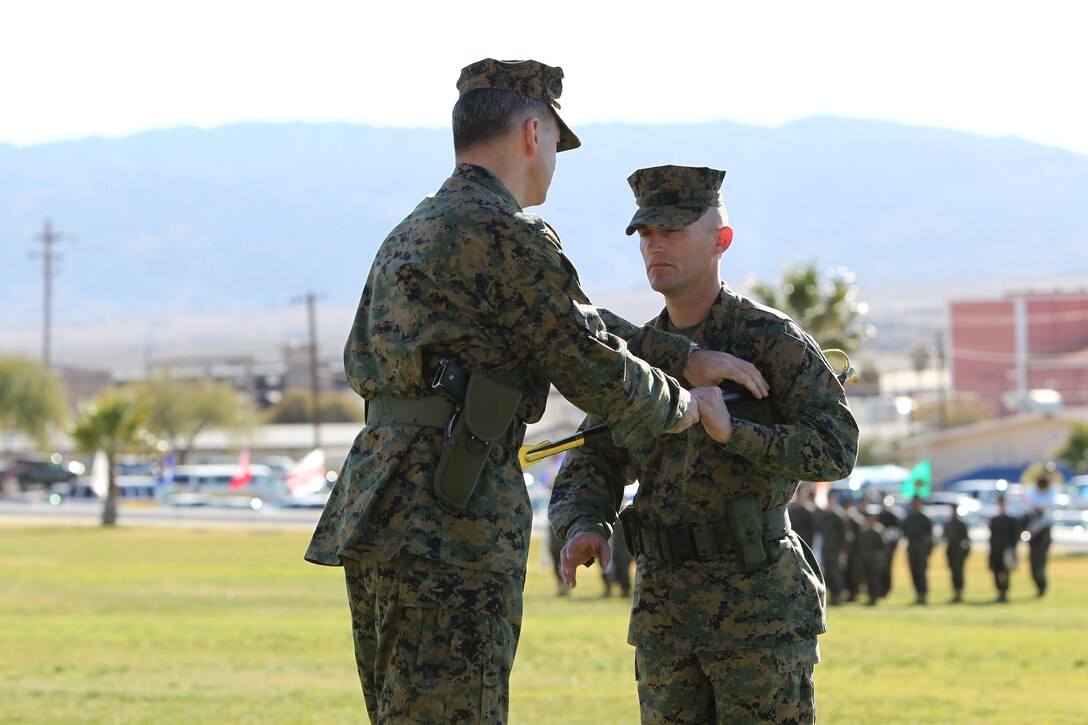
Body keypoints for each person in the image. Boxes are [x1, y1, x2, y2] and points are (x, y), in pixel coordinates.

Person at [303, 61, 768, 723]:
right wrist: (681, 406)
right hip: (450, 514)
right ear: (532, 131)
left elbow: (564, 320)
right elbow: (586, 360)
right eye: (555, 139)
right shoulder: (506, 235)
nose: (554, 157)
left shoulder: (416, 228)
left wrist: (683, 356)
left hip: (382, 500)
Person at [549, 165, 859, 723]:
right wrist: (584, 524)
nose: (654, 246)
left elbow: (836, 447)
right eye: (645, 234)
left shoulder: (769, 340)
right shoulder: (637, 358)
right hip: (666, 613)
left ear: (721, 241)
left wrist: (736, 433)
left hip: (758, 611)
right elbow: (591, 455)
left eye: (671, 230)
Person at [1025, 475, 1057, 597]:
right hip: (1033, 538)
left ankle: (1042, 588)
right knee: (1033, 566)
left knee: (1040, 566)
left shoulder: (1051, 496)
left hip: (1043, 538)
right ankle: (1038, 587)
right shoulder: (1032, 494)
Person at [818, 489, 850, 606]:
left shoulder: (839, 516)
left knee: (836, 573)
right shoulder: (825, 515)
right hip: (826, 550)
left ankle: (838, 595)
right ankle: (831, 595)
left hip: (836, 551)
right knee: (827, 573)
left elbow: (846, 536)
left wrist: (843, 551)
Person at [902, 494, 934, 605]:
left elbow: (930, 536)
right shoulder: (909, 518)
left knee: (921, 572)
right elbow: (904, 533)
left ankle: (923, 595)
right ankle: (917, 594)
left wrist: (928, 550)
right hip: (912, 548)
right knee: (913, 572)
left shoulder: (924, 518)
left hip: (921, 549)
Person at [988, 495, 1020, 603]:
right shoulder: (995, 520)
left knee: (1006, 573)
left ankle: (1004, 593)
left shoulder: (1011, 520)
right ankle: (999, 592)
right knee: (996, 573)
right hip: (996, 551)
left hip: (1006, 551)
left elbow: (1015, 537)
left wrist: (1012, 550)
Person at [857, 506, 888, 606]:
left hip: (874, 559)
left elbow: (883, 547)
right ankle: (870, 597)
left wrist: (882, 559)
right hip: (865, 559)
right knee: (867, 579)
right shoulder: (863, 530)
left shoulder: (878, 531)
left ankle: (874, 598)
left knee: (874, 580)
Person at [943, 503, 971, 603]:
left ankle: (959, 593)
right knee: (953, 574)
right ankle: (955, 593)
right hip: (950, 552)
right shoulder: (948, 524)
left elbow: (967, 540)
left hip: (958, 552)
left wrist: (965, 553)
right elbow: (944, 538)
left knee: (959, 573)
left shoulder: (961, 524)